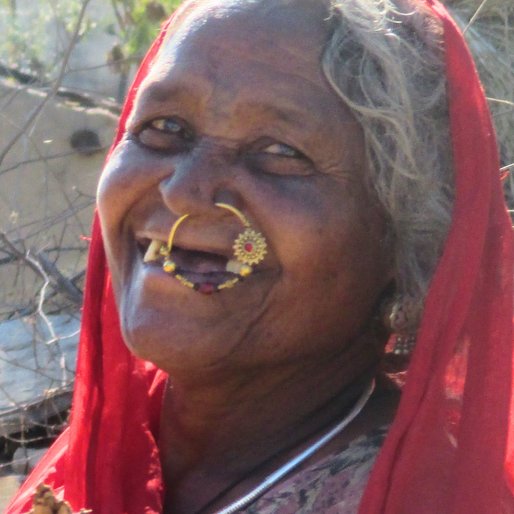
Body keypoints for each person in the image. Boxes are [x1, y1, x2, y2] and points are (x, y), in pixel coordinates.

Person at [6, 0, 514, 513]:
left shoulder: (418, 498)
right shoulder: (104, 463)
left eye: (279, 152)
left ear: (401, 238)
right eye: (165, 127)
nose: (185, 191)